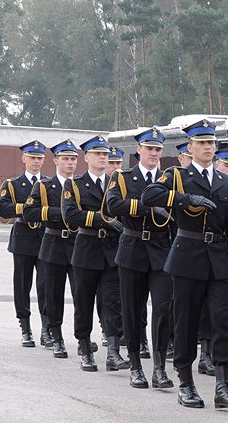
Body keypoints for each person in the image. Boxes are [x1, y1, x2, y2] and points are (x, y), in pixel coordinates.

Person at [141, 119, 228, 410]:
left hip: (220, 259)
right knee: (185, 321)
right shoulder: (178, 175)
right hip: (188, 255)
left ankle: (222, 386)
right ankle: (185, 382)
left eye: (211, 143)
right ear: (191, 147)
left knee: (223, 322)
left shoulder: (226, 181)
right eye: (202, 143)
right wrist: (186, 199)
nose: (208, 148)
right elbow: (150, 196)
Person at [105, 126, 174, 389]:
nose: (154, 153)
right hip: (132, 248)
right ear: (139, 150)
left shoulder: (168, 178)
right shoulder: (123, 178)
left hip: (160, 250)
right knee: (132, 311)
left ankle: (159, 368)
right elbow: (113, 205)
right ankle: (135, 365)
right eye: (150, 149)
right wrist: (149, 206)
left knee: (163, 309)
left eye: (158, 149)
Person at [61, 136, 129, 373]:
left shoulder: (116, 182)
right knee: (84, 302)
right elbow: (71, 215)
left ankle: (112, 351)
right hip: (87, 249)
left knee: (112, 302)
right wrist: (103, 220)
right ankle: (85, 349)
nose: (103, 157)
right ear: (86, 157)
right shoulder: (75, 184)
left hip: (111, 251)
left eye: (105, 154)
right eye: (97, 153)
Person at [23, 139, 81, 359]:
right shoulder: (44, 186)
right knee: (53, 295)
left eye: (73, 159)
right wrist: (60, 213)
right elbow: (29, 213)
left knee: (81, 295)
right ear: (55, 161)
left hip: (78, 246)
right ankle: (56, 337)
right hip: (54, 243)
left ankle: (81, 338)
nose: (70, 163)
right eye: (65, 158)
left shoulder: (81, 185)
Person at [0, 140, 49, 347]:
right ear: (23, 158)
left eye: (39, 158)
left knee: (46, 286)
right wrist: (27, 210)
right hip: (23, 238)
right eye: (32, 157)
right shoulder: (13, 184)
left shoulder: (48, 183)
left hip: (45, 239)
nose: (36, 161)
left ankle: (47, 329)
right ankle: (25, 328)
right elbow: (2, 208)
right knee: (22, 284)